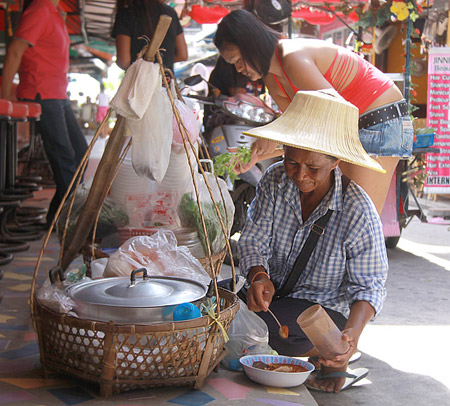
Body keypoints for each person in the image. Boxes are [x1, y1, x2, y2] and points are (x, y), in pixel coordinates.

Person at [238, 90, 388, 393]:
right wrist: (258, 275)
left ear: (335, 162)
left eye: (313, 168)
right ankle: (311, 353)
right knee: (222, 317)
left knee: (255, 331)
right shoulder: (274, 180)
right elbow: (254, 238)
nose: (300, 176)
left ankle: (327, 352)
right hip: (273, 296)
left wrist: (350, 337)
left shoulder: (356, 208)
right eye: (292, 162)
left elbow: (370, 285)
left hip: (320, 311)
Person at [214, 9, 414, 214]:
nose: (239, 69)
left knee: (358, 220)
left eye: (238, 60)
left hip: (378, 120)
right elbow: (304, 137)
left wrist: (272, 140)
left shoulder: (292, 56)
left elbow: (334, 112)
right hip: (356, 128)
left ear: (251, 46)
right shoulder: (272, 80)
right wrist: (257, 155)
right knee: (343, 220)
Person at [1, 0, 88, 228]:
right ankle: (70, 222)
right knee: (66, 160)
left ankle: (57, 219)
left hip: (58, 95)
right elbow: (14, 50)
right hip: (41, 92)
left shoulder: (55, 12)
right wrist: (5, 95)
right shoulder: (40, 8)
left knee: (80, 157)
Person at [112, 0, 188, 71]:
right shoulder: (170, 12)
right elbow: (182, 55)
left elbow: (123, 62)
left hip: (139, 82)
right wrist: (159, 64)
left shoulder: (125, 14)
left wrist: (147, 66)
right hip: (165, 81)